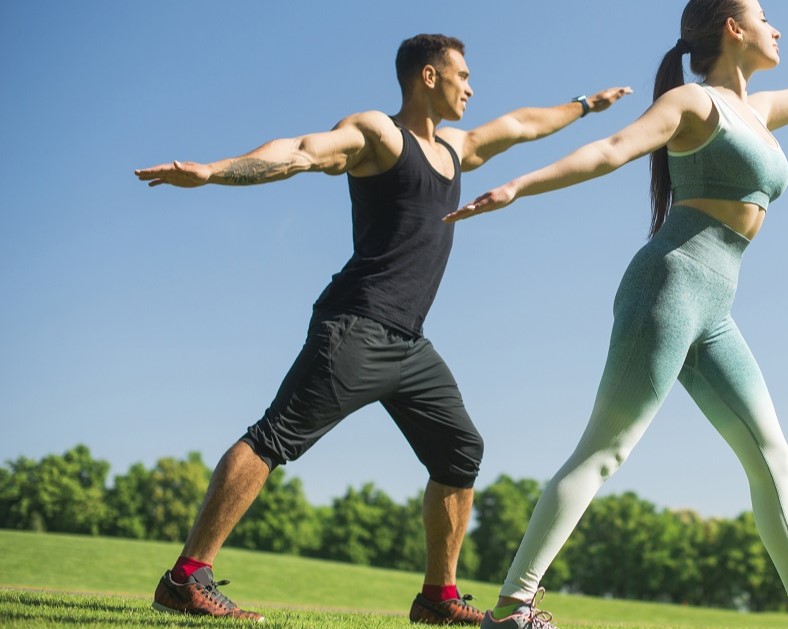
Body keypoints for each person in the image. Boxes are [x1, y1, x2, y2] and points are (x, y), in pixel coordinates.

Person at [443, 1, 788, 627]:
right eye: (764, 15)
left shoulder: (757, 112)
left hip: (715, 306)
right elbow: (612, 150)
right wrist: (519, 186)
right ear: (734, 30)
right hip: (668, 285)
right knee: (606, 448)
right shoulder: (692, 105)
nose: (777, 28)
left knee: (770, 453)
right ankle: (514, 608)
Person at [134, 33, 631, 624]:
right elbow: (299, 151)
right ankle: (186, 578)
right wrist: (213, 172)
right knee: (274, 437)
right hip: (357, 325)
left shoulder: (455, 148)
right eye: (462, 76)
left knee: (460, 450)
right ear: (428, 76)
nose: (471, 87)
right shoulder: (379, 135)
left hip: (409, 344)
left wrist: (584, 105)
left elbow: (523, 124)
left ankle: (437, 600)